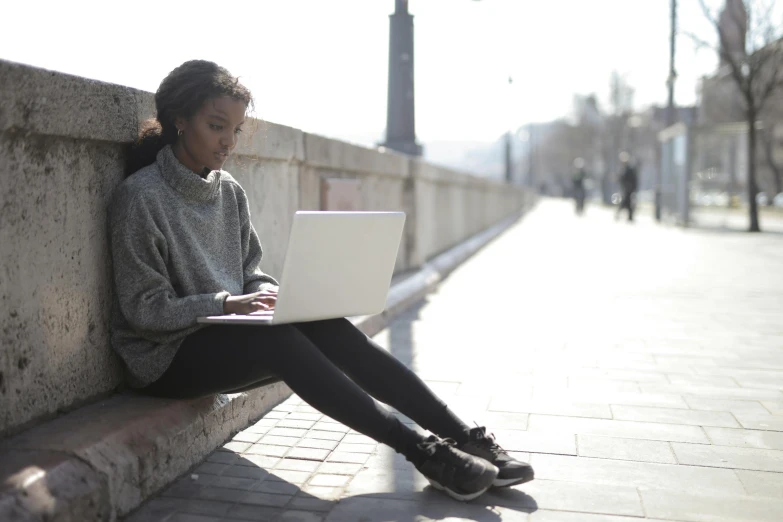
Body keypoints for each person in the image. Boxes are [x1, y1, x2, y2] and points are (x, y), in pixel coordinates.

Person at [108, 60, 534, 503]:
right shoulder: (140, 197)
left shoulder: (228, 190)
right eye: (217, 127)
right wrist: (224, 303)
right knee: (278, 343)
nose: (229, 142)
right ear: (180, 120)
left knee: (324, 324)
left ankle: (464, 436)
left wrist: (267, 295)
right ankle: (424, 453)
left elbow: (250, 272)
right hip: (165, 358)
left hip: (225, 334)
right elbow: (145, 310)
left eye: (235, 130)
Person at [615, 152, 638, 222]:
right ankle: (628, 217)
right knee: (626, 203)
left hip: (629, 189)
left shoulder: (629, 169)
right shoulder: (624, 169)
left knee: (627, 203)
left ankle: (629, 217)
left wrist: (633, 188)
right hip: (626, 189)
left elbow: (633, 179)